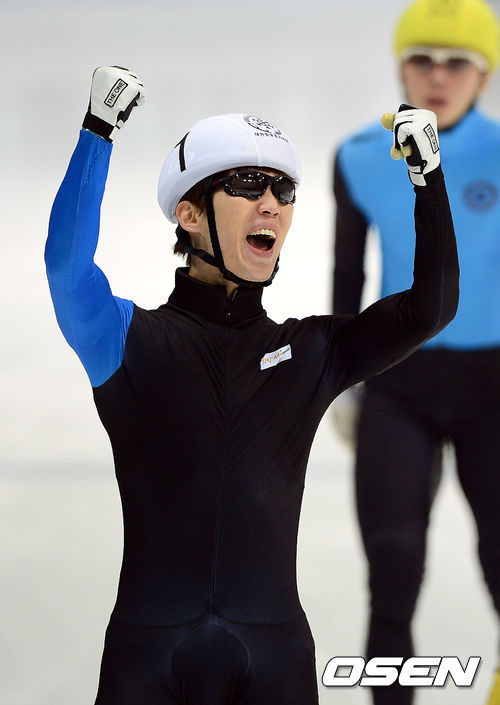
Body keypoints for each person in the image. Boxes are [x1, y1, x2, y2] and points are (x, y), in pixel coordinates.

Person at [45, 65, 458, 705]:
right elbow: (67, 270)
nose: (271, 204)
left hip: (274, 653)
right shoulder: (126, 341)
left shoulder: (313, 353)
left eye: (283, 190)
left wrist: (427, 178)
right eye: (245, 184)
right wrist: (98, 131)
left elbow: (430, 308)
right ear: (188, 214)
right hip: (148, 651)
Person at [331, 0, 500, 703]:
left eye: (458, 62)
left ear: (484, 76)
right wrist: (341, 378)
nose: (438, 76)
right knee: (393, 573)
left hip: (495, 389)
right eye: (422, 60)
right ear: (400, 68)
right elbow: (347, 275)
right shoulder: (358, 157)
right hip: (397, 387)